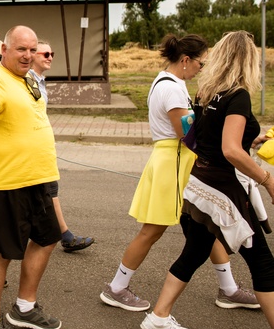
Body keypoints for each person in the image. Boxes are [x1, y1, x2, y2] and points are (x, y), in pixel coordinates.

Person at [100, 33, 257, 312]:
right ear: (185, 60)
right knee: (152, 230)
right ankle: (117, 287)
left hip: (176, 160)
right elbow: (188, 135)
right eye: (201, 63)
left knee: (206, 226)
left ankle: (229, 288)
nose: (202, 69)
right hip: (173, 162)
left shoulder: (170, 83)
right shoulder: (172, 89)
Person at [140, 31, 274, 329]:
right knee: (263, 263)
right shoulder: (238, 95)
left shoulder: (208, 91)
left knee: (196, 249)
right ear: (249, 61)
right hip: (223, 191)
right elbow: (229, 150)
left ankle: (158, 317)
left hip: (199, 185)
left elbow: (206, 140)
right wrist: (266, 179)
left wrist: (250, 141)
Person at [0, 21, 62, 329]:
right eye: (21, 48)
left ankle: (24, 308)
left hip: (37, 179)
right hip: (7, 183)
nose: (28, 54)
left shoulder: (29, 80)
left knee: (48, 238)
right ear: (4, 50)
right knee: (1, 253)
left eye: (32, 49)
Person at [29, 41, 94, 253]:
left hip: (40, 147)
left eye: (52, 53)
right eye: (45, 53)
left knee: (50, 189)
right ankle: (64, 235)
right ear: (33, 55)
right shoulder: (28, 80)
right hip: (32, 149)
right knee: (43, 191)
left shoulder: (39, 80)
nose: (50, 57)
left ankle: (65, 235)